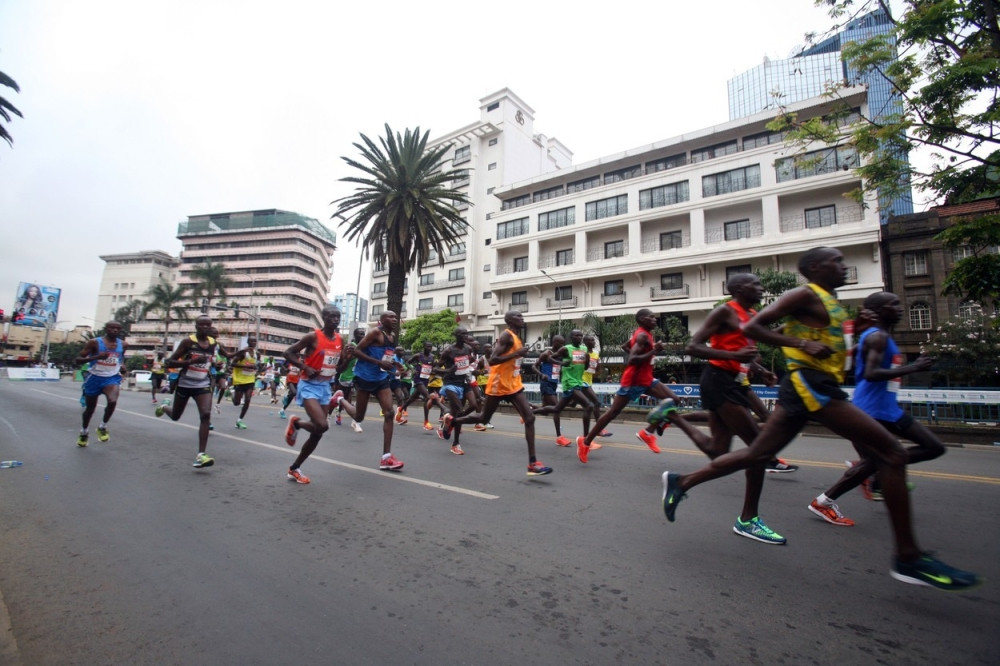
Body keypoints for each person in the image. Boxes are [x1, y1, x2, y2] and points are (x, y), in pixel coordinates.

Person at [661, 247, 979, 590]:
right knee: (891, 453)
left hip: (806, 386)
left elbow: (785, 330)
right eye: (837, 261)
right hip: (806, 385)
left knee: (757, 454)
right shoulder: (799, 294)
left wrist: (833, 332)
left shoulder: (828, 300)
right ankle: (908, 557)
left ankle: (683, 482)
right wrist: (798, 344)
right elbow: (753, 330)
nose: (843, 266)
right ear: (815, 267)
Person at [808, 292, 946, 525]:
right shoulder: (877, 338)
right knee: (906, 453)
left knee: (932, 448)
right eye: (893, 304)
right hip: (872, 411)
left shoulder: (882, 336)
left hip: (887, 410)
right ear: (880, 311)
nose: (900, 308)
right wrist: (913, 368)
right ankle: (826, 500)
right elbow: (871, 374)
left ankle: (868, 472)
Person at [681, 273, 786, 544]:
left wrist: (761, 369)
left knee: (718, 450)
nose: (762, 287)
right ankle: (749, 519)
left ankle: (672, 417)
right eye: (756, 284)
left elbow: (745, 350)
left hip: (735, 383)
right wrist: (732, 356)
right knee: (760, 449)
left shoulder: (752, 313)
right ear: (739, 288)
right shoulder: (724, 312)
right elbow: (693, 346)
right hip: (718, 381)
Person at [577, 309, 709, 463]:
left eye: (655, 316)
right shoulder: (642, 336)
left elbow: (625, 346)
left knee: (673, 399)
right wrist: (654, 350)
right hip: (633, 381)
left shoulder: (643, 334)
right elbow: (632, 359)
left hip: (646, 379)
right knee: (612, 413)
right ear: (641, 319)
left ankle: (648, 432)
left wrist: (648, 354)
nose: (654, 319)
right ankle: (585, 443)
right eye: (651, 317)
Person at [441, 311, 552, 476]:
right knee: (483, 418)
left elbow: (513, 359)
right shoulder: (506, 336)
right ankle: (453, 421)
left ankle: (532, 463)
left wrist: (518, 355)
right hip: (499, 384)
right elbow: (493, 360)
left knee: (529, 417)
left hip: (513, 384)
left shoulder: (516, 337)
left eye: (522, 317)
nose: (522, 319)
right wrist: (516, 354)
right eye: (518, 317)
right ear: (509, 321)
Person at [282, 305, 348, 484]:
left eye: (338, 316)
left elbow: (338, 368)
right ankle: (297, 423)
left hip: (325, 387)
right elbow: (288, 352)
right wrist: (305, 367)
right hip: (309, 385)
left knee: (318, 432)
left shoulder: (339, 340)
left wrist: (348, 359)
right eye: (332, 316)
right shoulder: (313, 337)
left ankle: (294, 468)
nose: (335, 319)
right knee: (322, 424)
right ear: (324, 318)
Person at [154, 316, 231, 468]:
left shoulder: (213, 343)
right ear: (195, 326)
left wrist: (215, 364)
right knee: (176, 416)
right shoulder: (188, 342)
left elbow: (209, 360)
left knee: (205, 414)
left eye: (208, 325)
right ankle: (164, 407)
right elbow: (169, 362)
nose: (205, 328)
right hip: (185, 384)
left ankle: (201, 454)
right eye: (201, 325)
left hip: (202, 384)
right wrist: (190, 362)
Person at [334, 311, 405, 471]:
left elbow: (385, 356)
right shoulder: (375, 333)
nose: (394, 319)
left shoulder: (392, 336)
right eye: (390, 317)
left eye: (395, 317)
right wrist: (377, 361)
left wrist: (394, 364)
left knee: (389, 413)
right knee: (359, 417)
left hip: (380, 378)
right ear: (381, 320)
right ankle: (340, 399)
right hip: (364, 376)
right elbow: (357, 351)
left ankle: (386, 457)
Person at [533, 329, 602, 448]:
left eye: (581, 335)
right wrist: (560, 365)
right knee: (588, 406)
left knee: (556, 409)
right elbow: (550, 359)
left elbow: (585, 367)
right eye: (576, 335)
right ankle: (585, 440)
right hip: (566, 383)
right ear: (571, 337)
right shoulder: (565, 349)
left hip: (574, 382)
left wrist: (586, 360)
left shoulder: (584, 349)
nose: (579, 337)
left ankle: (530, 412)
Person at [75, 321, 127, 447]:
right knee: (90, 409)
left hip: (112, 378)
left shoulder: (123, 344)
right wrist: (96, 357)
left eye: (117, 328)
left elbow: (119, 359)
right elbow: (78, 360)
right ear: (106, 329)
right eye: (112, 328)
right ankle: (84, 431)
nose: (115, 330)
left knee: (112, 401)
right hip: (94, 378)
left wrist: (122, 366)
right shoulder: (94, 342)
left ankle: (102, 426)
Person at [435, 326, 478, 455]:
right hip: (451, 383)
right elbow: (436, 368)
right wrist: (448, 370)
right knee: (459, 411)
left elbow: (467, 363)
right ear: (457, 336)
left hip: (464, 382)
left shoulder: (468, 348)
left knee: (474, 405)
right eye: (463, 334)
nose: (466, 336)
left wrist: (469, 362)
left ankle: (451, 421)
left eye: (467, 334)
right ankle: (455, 444)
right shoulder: (448, 350)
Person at [332, 328, 365, 431]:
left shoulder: (363, 347)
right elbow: (342, 362)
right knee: (345, 399)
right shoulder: (350, 347)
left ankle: (356, 421)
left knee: (361, 394)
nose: (363, 336)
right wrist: (349, 357)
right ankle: (337, 412)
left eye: (364, 334)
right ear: (355, 336)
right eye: (360, 334)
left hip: (356, 376)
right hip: (346, 376)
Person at [400, 341, 437, 429]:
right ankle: (426, 422)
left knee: (412, 398)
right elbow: (407, 362)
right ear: (424, 347)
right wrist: (412, 370)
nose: (429, 348)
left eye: (431, 347)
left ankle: (400, 410)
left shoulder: (432, 357)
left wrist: (433, 371)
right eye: (428, 347)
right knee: (427, 397)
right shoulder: (418, 356)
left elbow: (432, 368)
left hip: (426, 380)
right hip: (418, 379)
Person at [229, 336, 260, 429]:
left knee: (247, 400)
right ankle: (232, 394)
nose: (254, 342)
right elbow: (232, 364)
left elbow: (256, 365)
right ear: (248, 342)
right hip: (240, 380)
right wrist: (245, 366)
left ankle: (239, 420)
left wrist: (255, 368)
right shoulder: (243, 352)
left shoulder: (257, 354)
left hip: (250, 380)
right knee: (236, 403)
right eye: (252, 341)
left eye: (255, 341)